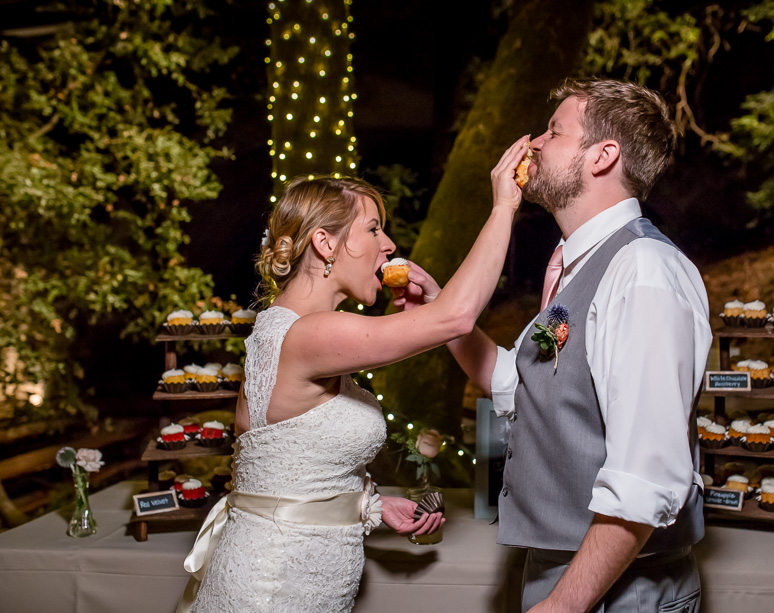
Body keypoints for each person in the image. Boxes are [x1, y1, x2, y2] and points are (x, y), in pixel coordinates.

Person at [394, 78, 711, 612]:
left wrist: (563, 604)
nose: (533, 143)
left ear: (603, 156)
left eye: (553, 131)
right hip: (567, 573)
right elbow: (518, 384)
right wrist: (440, 309)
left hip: (619, 589)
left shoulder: (642, 271)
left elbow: (648, 478)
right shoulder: (577, 266)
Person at [177, 137, 529, 613]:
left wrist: (368, 506)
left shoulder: (290, 328)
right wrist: (504, 207)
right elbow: (456, 318)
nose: (389, 245)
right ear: (325, 243)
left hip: (295, 578)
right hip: (273, 588)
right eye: (373, 229)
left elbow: (285, 468)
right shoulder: (309, 334)